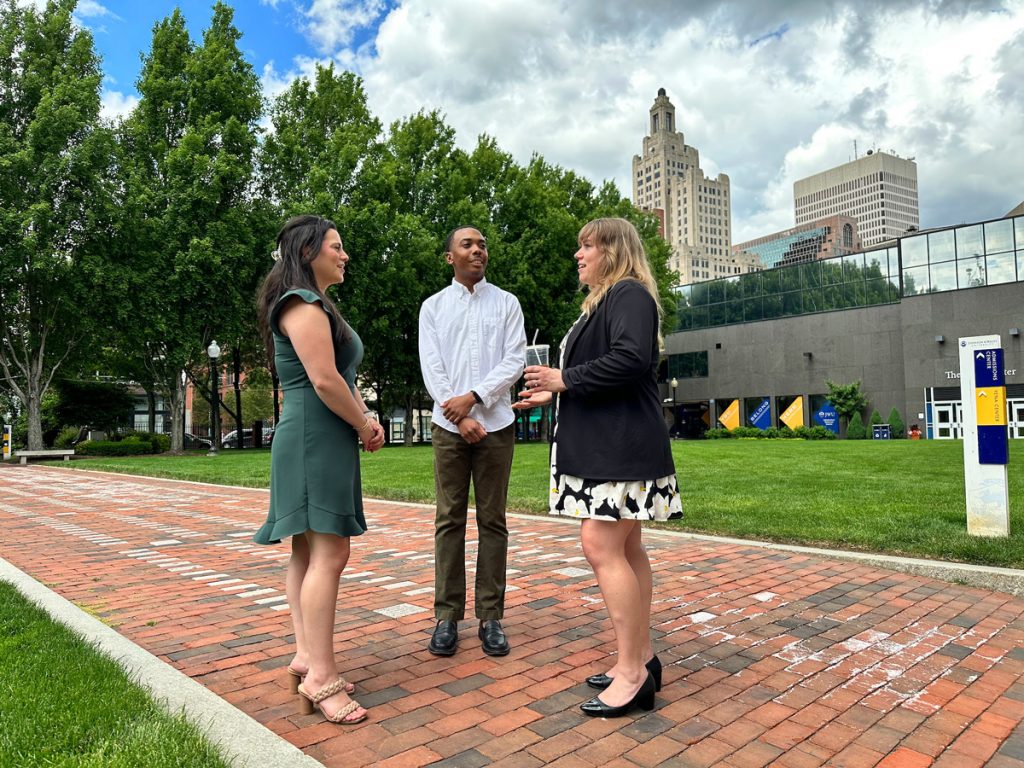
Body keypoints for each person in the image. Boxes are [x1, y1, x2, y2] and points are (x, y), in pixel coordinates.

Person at [514, 217, 682, 718]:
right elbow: (608, 371)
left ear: (612, 250)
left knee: (601, 544)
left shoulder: (628, 293)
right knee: (626, 548)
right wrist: (555, 390)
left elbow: (631, 360)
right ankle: (641, 659)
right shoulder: (609, 300)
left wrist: (564, 378)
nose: (578, 255)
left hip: (619, 448)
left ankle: (632, 675)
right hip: (615, 444)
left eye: (586, 246)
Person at [254, 215, 385, 725]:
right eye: (337, 246)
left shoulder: (312, 303)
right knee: (330, 551)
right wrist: (361, 425)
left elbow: (341, 379)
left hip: (321, 434)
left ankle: (307, 659)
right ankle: (321, 678)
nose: (345, 254)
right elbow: (325, 381)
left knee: (308, 551)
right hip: (315, 436)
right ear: (309, 252)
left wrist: (366, 420)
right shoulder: (301, 304)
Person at [418, 225, 527, 657]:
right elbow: (432, 366)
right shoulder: (433, 308)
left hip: (496, 425)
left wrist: (476, 399)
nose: (478, 250)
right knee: (449, 520)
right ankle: (446, 617)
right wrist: (457, 413)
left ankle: (491, 616)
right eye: (468, 244)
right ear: (450, 257)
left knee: (493, 521)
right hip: (449, 430)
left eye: (482, 244)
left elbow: (514, 359)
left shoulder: (507, 303)